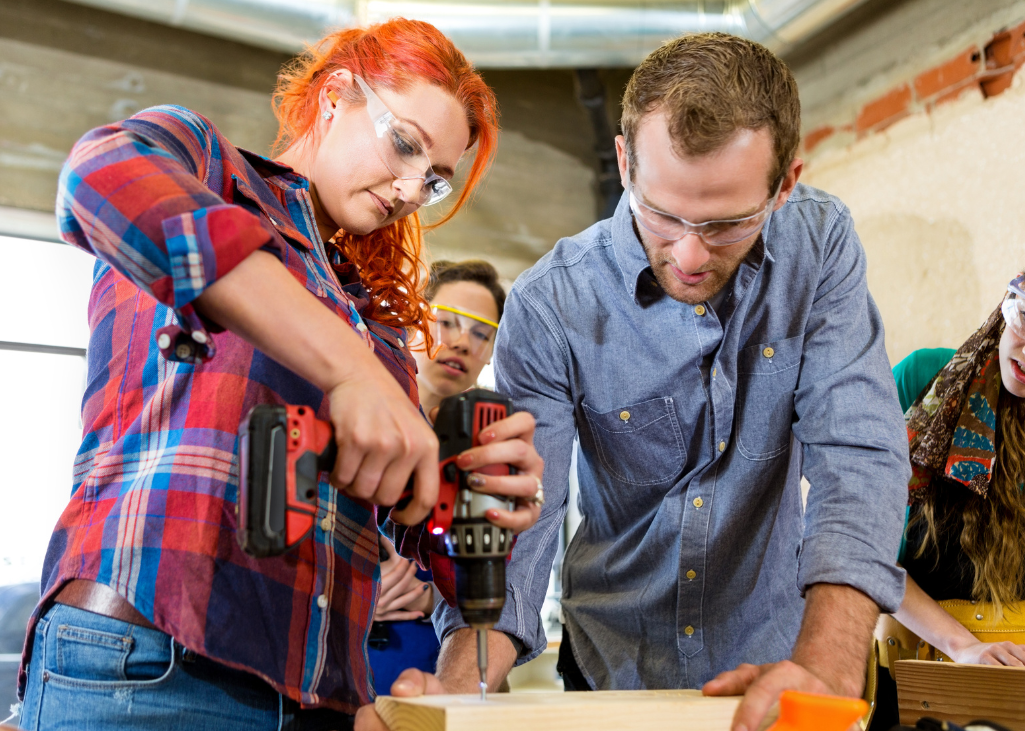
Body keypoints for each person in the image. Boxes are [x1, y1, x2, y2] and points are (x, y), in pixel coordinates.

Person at [356, 32, 911, 731]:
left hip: (774, 665)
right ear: (624, 161)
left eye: (725, 224)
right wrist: (460, 686)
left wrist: (829, 665)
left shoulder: (818, 246)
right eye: (664, 213)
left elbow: (857, 450)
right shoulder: (550, 303)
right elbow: (523, 515)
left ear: (784, 185)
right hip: (610, 665)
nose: (687, 254)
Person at [17, 19, 545, 731]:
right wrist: (348, 367)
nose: (413, 186)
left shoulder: (373, 322)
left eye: (436, 177)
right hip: (148, 668)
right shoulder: (206, 166)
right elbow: (99, 175)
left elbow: (406, 523)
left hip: (317, 699)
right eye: (404, 144)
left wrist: (467, 495)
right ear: (334, 97)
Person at [869, 272, 1025, 730]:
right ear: (1006, 308)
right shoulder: (922, 382)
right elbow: (862, 548)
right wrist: (964, 647)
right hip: (917, 672)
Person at [369, 260, 505, 691]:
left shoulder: (486, 454)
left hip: (452, 674)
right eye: (446, 323)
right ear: (413, 318)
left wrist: (431, 597)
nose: (463, 343)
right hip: (354, 672)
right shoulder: (357, 416)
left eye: (482, 333)